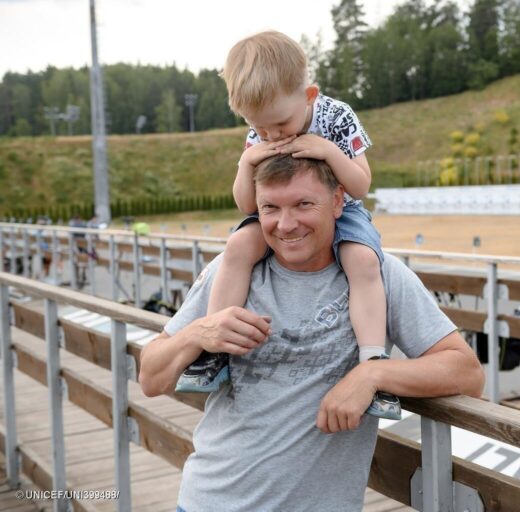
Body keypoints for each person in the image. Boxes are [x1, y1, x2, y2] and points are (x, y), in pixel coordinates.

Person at [138, 155, 485, 512]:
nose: (285, 225)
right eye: (269, 208)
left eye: (303, 204)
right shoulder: (231, 271)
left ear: (337, 201)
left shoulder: (378, 274)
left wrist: (372, 373)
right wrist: (197, 332)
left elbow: (467, 373)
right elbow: (150, 377)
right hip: (208, 502)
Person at [175, 31, 394, 419]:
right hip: (278, 212)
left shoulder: (337, 116)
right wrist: (247, 162)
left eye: (280, 123)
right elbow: (246, 204)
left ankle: (373, 361)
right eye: (260, 128)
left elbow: (361, 184)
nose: (273, 135)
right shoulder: (258, 133)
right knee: (239, 246)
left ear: (309, 96)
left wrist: (327, 151)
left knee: (362, 260)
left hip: (342, 209)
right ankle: (214, 350)